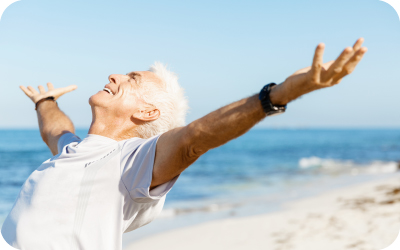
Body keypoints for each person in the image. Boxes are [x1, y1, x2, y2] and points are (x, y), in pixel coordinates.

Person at [1, 38, 367, 250]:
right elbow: (56, 131)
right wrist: (44, 103)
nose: (113, 75)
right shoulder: (76, 151)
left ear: (147, 112)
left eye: (131, 78)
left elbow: (196, 138)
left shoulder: (132, 161)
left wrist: (279, 94)